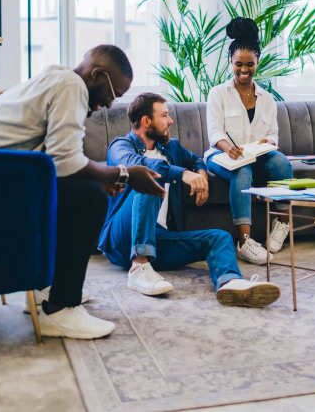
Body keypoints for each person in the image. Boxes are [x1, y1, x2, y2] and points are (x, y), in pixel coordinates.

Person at [0, 45, 165, 338]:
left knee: (80, 189)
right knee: (89, 199)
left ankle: (44, 288)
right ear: (98, 75)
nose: (110, 105)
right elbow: (65, 160)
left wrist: (99, 174)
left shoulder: (60, 79)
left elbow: (56, 159)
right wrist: (124, 174)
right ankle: (60, 309)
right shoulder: (70, 86)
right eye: (113, 94)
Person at [99, 93, 282, 307]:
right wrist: (184, 174)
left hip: (159, 237)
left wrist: (201, 175)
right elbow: (142, 165)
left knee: (219, 237)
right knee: (149, 181)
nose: (170, 120)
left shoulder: (171, 147)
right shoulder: (120, 146)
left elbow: (195, 159)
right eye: (164, 115)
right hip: (123, 237)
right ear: (146, 121)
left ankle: (231, 283)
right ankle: (139, 266)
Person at [205, 17, 293, 265]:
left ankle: (282, 222)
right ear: (230, 62)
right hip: (221, 157)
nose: (244, 70)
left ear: (257, 62)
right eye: (238, 65)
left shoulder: (267, 98)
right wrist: (228, 148)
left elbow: (274, 133)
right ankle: (244, 241)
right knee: (241, 170)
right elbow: (215, 133)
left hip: (255, 155)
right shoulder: (218, 93)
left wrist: (269, 141)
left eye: (250, 65)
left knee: (281, 163)